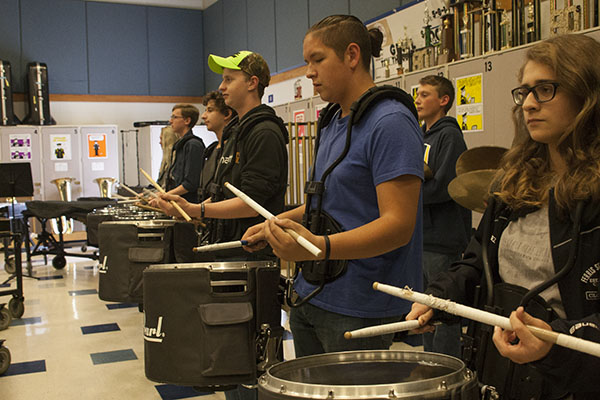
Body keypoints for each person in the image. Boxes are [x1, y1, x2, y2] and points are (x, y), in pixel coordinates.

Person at [407, 34, 600, 400]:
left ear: (587, 94)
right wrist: (440, 297)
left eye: (544, 89)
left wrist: (555, 344)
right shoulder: (514, 185)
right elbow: (478, 265)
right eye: (524, 91)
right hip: (501, 376)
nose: (528, 104)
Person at [243, 15, 424, 358]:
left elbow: (399, 225)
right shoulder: (332, 122)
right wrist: (277, 223)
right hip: (312, 294)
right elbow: (327, 200)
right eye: (306, 62)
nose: (308, 72)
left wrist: (319, 246)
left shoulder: (390, 122)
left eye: (317, 59)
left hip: (358, 306)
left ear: (352, 56)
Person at [154, 52, 288, 260]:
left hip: (250, 253)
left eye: (229, 79)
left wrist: (197, 209)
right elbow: (224, 195)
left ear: (252, 83)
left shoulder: (264, 133)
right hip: (226, 247)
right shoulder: (236, 132)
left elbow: (251, 205)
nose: (221, 87)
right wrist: (186, 208)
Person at [414, 75, 471, 358]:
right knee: (426, 314)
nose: (419, 99)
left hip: (443, 241)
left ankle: (448, 370)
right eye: (418, 94)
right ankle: (429, 366)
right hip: (423, 238)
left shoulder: (449, 135)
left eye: (425, 94)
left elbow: (445, 186)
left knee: (444, 313)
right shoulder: (421, 136)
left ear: (444, 100)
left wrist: (406, 196)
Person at [164, 103, 205, 203]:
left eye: (174, 117)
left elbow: (190, 184)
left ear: (187, 120)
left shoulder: (193, 145)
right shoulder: (179, 145)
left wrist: (165, 196)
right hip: (177, 202)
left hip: (188, 204)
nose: (170, 121)